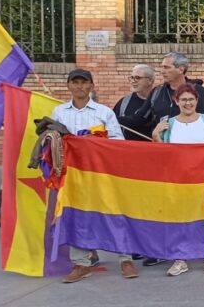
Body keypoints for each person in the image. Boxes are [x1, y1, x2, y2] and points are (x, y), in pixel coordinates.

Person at [52, 69, 136, 284]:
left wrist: (95, 140)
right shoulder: (59, 113)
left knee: (114, 212)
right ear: (68, 85)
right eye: (75, 82)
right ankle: (81, 263)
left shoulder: (104, 112)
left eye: (84, 82)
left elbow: (118, 141)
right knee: (77, 216)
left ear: (91, 86)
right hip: (74, 175)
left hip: (102, 173)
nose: (80, 86)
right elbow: (53, 142)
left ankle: (125, 259)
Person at [152, 83, 204, 276]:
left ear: (197, 101)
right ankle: (180, 259)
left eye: (191, 99)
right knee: (180, 219)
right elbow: (162, 154)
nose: (187, 103)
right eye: (183, 99)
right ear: (177, 101)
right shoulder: (169, 124)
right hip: (180, 182)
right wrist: (155, 135)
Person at [138, 52, 204, 125]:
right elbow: (140, 117)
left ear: (181, 69)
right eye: (162, 67)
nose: (162, 71)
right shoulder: (157, 92)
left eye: (166, 67)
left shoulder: (198, 90)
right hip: (160, 136)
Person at [114, 64, 156, 140]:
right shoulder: (124, 102)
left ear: (150, 81)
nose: (133, 81)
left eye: (137, 78)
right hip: (128, 149)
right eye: (132, 78)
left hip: (154, 149)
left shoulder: (159, 101)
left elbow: (137, 120)